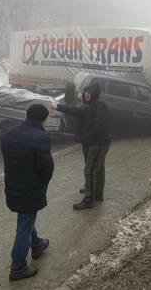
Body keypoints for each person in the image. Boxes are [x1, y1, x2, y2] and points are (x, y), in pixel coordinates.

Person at [1, 104, 54, 281]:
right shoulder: (41, 137)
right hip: (30, 188)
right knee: (24, 223)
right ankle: (18, 267)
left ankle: (37, 244)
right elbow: (46, 167)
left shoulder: (9, 133)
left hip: (13, 186)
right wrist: (43, 183)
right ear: (43, 119)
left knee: (26, 217)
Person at [50, 82, 110, 210]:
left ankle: (89, 199)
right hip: (93, 143)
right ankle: (96, 192)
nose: (87, 95)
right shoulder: (90, 105)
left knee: (90, 171)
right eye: (85, 92)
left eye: (89, 93)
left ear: (94, 94)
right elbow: (77, 111)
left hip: (96, 143)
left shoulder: (97, 106)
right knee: (97, 168)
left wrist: (57, 106)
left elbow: (77, 112)